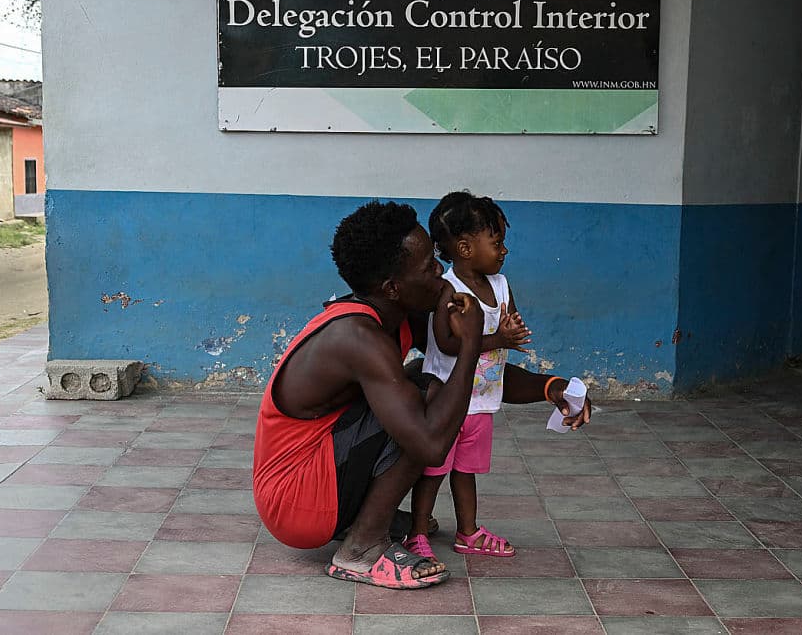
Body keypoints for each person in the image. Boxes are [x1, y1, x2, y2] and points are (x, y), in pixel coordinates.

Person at [251, 200, 590, 590]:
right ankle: (362, 549)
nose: (442, 275)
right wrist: (470, 341)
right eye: (429, 267)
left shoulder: (397, 313)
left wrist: (551, 387)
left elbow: (480, 378)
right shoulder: (358, 337)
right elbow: (430, 444)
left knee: (426, 382)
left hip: (319, 480)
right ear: (393, 288)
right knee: (426, 394)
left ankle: (362, 516)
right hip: (294, 500)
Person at [404, 190, 585, 562]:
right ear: (466, 248)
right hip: (446, 401)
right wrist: (498, 338)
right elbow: (446, 342)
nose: (504, 251)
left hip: (482, 401)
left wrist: (512, 331)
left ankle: (467, 532)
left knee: (466, 471)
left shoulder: (500, 285)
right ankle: (417, 532)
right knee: (433, 471)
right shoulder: (450, 290)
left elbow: (507, 320)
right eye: (497, 243)